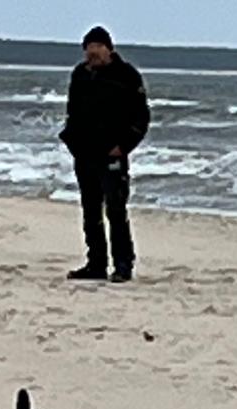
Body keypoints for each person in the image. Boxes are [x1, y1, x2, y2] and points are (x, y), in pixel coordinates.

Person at [59, 26, 150, 283]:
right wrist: (71, 140)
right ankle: (96, 264)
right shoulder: (80, 74)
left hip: (113, 155)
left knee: (116, 211)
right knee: (91, 212)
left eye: (98, 48)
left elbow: (141, 117)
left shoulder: (127, 75)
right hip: (85, 154)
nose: (93, 53)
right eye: (89, 49)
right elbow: (72, 111)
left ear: (109, 49)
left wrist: (124, 146)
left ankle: (123, 265)